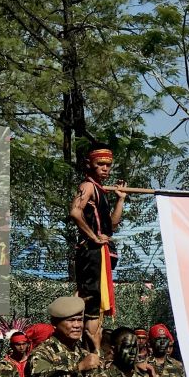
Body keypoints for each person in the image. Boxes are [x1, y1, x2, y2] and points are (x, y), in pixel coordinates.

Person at [70, 146, 126, 352]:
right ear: (89, 165)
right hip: (93, 253)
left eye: (108, 165)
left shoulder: (101, 190)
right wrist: (93, 237)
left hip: (103, 254)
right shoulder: (88, 186)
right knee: (91, 305)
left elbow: (111, 226)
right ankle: (90, 353)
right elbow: (75, 212)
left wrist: (120, 199)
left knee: (100, 306)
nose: (105, 168)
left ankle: (95, 352)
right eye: (100, 164)